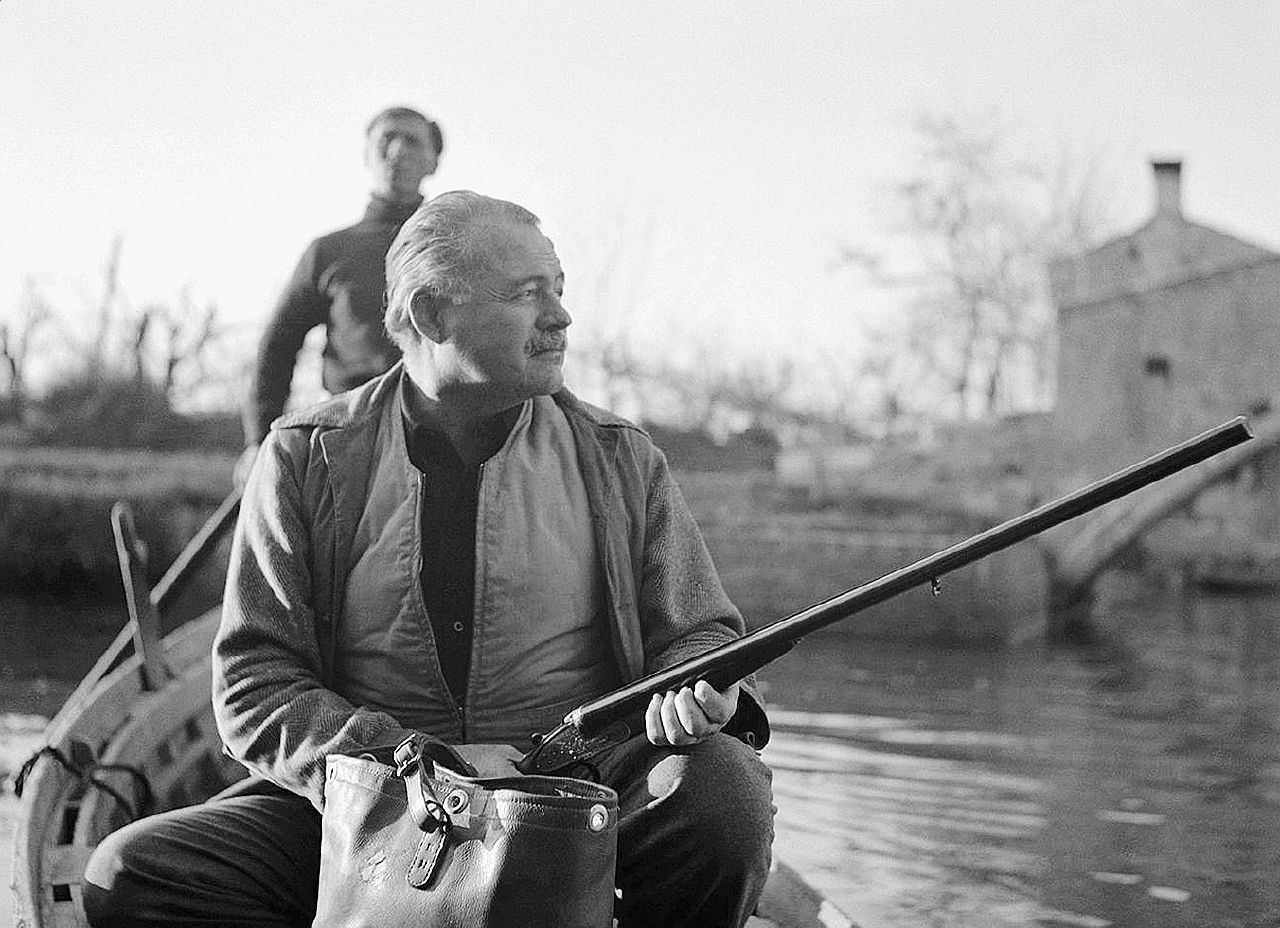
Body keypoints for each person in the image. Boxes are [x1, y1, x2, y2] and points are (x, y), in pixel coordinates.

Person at [84, 191, 775, 928]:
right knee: (129, 876)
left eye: (559, 289)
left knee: (724, 798)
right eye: (526, 293)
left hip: (577, 801)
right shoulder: (302, 455)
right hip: (365, 805)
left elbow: (705, 636)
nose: (561, 316)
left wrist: (706, 687)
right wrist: (420, 762)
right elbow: (256, 688)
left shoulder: (621, 458)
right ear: (430, 315)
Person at [236, 105, 444, 485]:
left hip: (442, 441)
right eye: (386, 140)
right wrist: (258, 441)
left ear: (433, 161)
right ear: (367, 156)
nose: (397, 151)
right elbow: (278, 346)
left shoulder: (453, 250)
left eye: (412, 141)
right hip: (350, 442)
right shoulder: (328, 252)